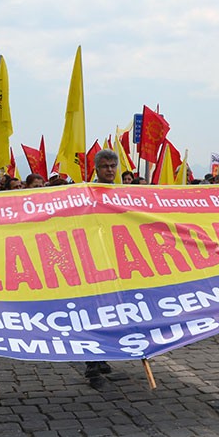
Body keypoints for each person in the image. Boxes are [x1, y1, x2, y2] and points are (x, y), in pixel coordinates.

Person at [84, 150, 120, 388]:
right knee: (94, 312)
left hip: (117, 262)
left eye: (113, 166)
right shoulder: (86, 193)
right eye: (105, 166)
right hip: (93, 262)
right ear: (96, 169)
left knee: (113, 312)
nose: (109, 170)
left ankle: (105, 354)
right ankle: (92, 362)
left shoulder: (125, 194)